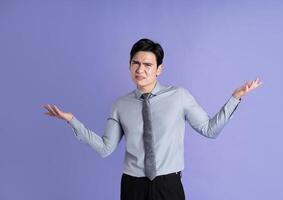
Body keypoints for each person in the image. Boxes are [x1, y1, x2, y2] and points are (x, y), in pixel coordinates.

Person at [43, 38, 262, 200]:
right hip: (132, 186)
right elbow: (105, 148)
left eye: (147, 65)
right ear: (129, 66)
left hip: (168, 185)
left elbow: (210, 129)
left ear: (159, 69)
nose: (140, 70)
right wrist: (72, 121)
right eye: (135, 63)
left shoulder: (179, 96)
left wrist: (235, 98)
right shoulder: (120, 105)